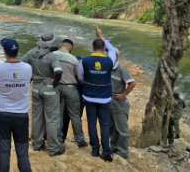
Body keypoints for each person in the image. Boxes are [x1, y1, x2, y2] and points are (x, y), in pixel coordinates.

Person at [0, 38, 33, 172]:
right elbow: (30, 80)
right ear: (18, 51)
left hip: (3, 114)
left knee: (4, 151)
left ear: (4, 52)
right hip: (21, 115)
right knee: (22, 152)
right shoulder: (28, 68)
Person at [21, 33, 65, 156]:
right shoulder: (51, 56)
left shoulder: (31, 52)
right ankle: (54, 147)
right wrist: (55, 83)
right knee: (51, 119)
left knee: (36, 117)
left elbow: (21, 63)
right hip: (49, 89)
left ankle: (37, 144)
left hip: (35, 88)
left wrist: (30, 75)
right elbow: (58, 71)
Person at [78, 27, 117, 162]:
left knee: (91, 122)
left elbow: (80, 75)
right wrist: (101, 35)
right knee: (104, 124)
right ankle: (106, 151)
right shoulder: (109, 60)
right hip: (105, 98)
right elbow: (113, 50)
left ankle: (95, 149)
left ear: (92, 48)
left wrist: (89, 81)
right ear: (104, 49)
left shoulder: (85, 60)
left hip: (89, 96)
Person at [54, 39, 88, 147]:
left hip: (56, 87)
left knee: (58, 114)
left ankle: (58, 139)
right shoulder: (73, 59)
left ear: (62, 45)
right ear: (70, 47)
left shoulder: (52, 55)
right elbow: (80, 76)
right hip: (70, 87)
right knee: (74, 115)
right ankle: (79, 139)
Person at [109, 48, 136, 159]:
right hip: (109, 102)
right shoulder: (107, 66)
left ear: (117, 57)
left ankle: (123, 151)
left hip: (119, 103)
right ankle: (113, 147)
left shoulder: (121, 68)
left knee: (121, 128)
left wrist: (123, 94)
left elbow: (132, 83)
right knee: (111, 127)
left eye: (113, 55)